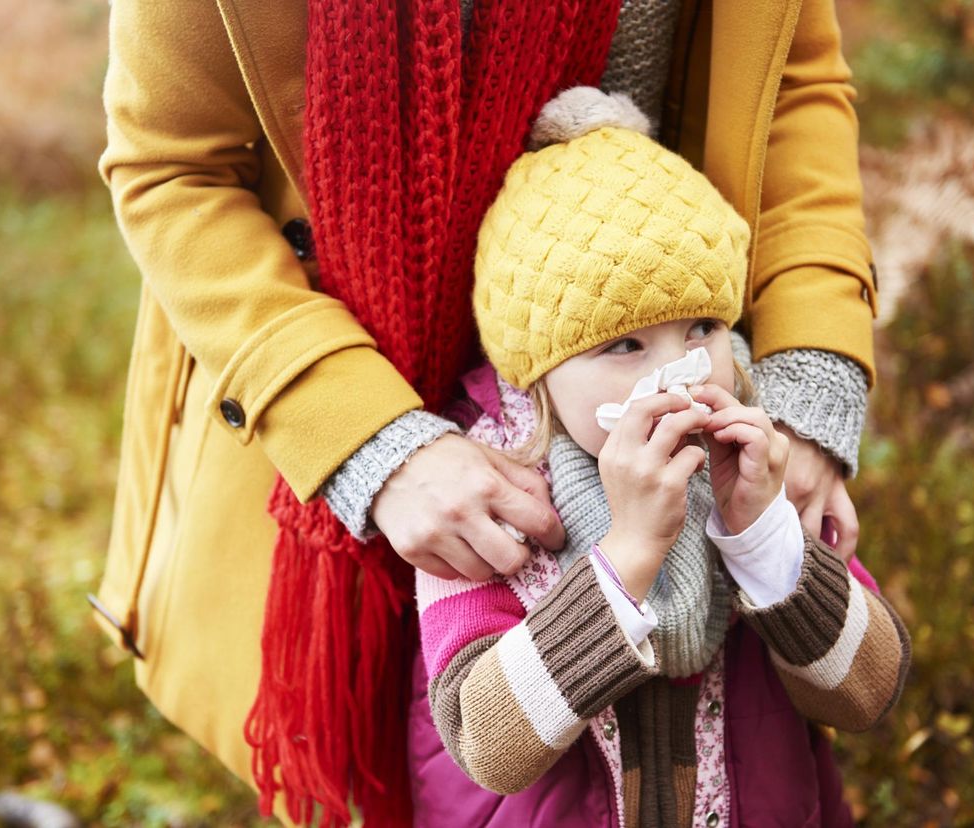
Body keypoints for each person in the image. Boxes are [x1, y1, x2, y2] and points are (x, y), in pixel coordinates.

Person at [93, 0, 879, 823]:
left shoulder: (734, 460)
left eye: (697, 343)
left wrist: (806, 382)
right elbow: (171, 167)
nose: (675, 376)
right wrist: (367, 441)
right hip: (373, 369)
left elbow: (790, 81)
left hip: (671, 259)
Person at [410, 87, 909, 827]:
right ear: (537, 369)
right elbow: (489, 745)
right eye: (625, 345)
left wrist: (762, 534)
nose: (683, 374)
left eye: (703, 327)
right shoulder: (485, 491)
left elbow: (867, 691)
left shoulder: (756, 452)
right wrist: (631, 551)